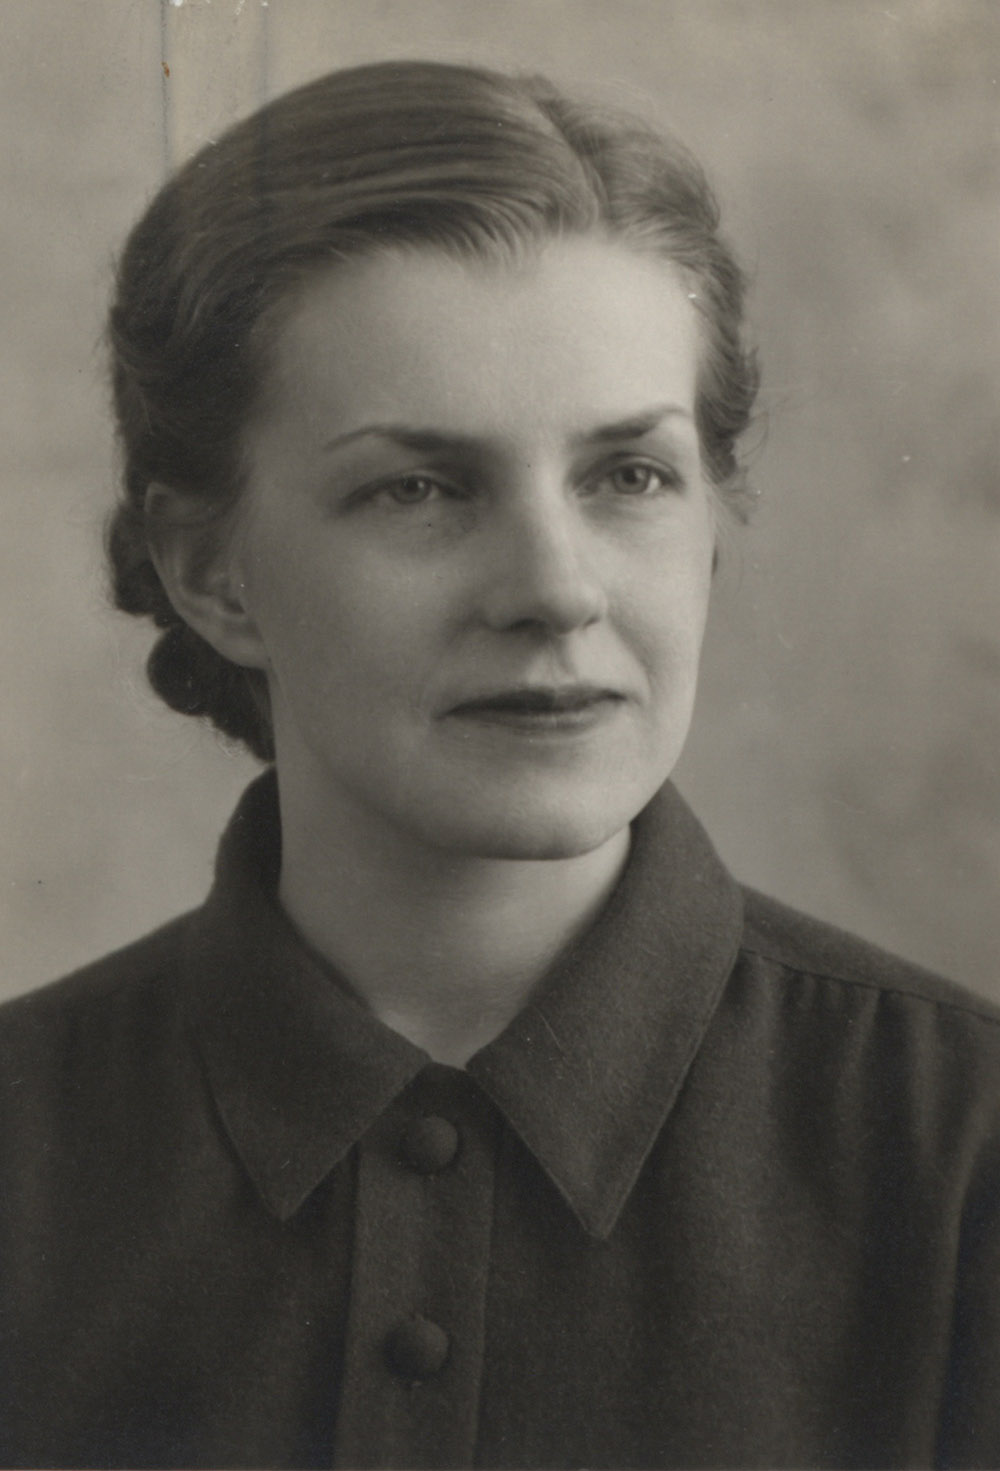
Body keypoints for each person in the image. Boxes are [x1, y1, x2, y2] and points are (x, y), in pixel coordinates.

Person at [0, 58, 996, 1471]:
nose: (555, 589)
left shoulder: (960, 1152)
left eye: (629, 477)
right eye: (418, 488)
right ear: (211, 572)